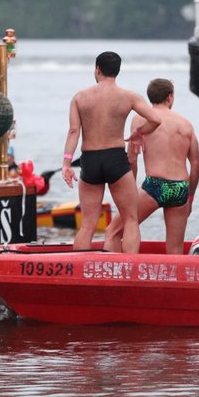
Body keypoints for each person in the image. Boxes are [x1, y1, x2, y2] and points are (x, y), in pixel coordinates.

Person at [62, 51, 162, 253]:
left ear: (97, 70)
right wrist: (139, 133)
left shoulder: (80, 97)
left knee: (88, 224)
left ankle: (78, 272)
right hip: (116, 158)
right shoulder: (128, 96)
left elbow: (74, 131)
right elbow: (156, 120)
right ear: (117, 71)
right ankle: (130, 269)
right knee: (131, 219)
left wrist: (66, 163)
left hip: (90, 159)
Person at [105, 78, 199, 254]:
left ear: (150, 97)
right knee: (175, 248)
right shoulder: (185, 124)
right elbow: (196, 164)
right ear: (170, 97)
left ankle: (115, 277)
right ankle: (173, 281)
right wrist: (191, 195)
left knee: (113, 231)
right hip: (180, 187)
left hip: (155, 186)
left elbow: (132, 159)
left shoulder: (141, 119)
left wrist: (130, 190)